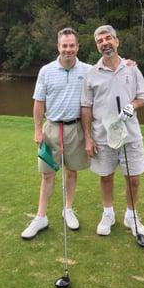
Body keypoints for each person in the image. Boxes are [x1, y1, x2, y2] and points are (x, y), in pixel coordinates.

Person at [81, 25, 144, 240]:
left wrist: (133, 106)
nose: (105, 43)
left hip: (129, 134)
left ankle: (131, 215)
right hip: (103, 135)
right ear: (97, 46)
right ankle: (108, 214)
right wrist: (88, 138)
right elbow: (85, 107)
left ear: (117, 41)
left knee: (134, 179)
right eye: (100, 41)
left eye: (108, 38)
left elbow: (143, 97)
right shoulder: (91, 73)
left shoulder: (131, 69)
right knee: (105, 177)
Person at [21, 28, 90, 239]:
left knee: (71, 172)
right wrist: (37, 129)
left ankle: (67, 209)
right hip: (51, 128)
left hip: (76, 128)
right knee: (47, 174)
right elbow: (38, 103)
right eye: (64, 45)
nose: (68, 49)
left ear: (77, 47)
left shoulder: (88, 70)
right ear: (58, 46)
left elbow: (110, 68)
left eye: (72, 45)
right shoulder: (46, 71)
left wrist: (128, 63)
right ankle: (41, 217)